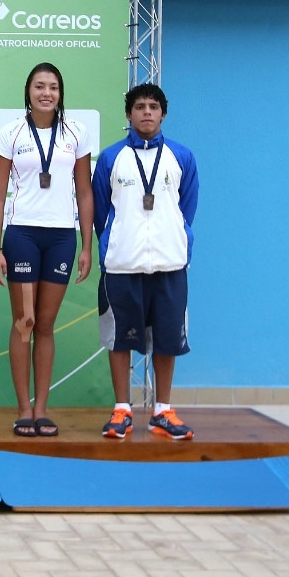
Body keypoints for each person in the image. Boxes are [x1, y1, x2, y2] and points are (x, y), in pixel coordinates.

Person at [0, 63, 93, 437]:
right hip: (22, 237)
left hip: (62, 237)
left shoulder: (76, 133)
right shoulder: (11, 133)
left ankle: (42, 409)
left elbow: (84, 192)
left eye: (53, 87)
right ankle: (23, 409)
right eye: (39, 86)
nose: (46, 93)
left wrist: (86, 246)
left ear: (60, 93)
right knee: (25, 323)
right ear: (28, 91)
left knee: (46, 325)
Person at [93, 83, 199, 440]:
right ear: (129, 114)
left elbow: (187, 210)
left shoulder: (182, 157)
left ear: (163, 113)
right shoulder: (111, 158)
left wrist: (177, 241)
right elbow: (100, 212)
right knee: (119, 340)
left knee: (168, 340)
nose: (147, 112)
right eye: (140, 106)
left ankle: (162, 411)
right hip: (122, 265)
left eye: (154, 106)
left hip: (170, 265)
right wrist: (114, 245)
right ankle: (121, 410)